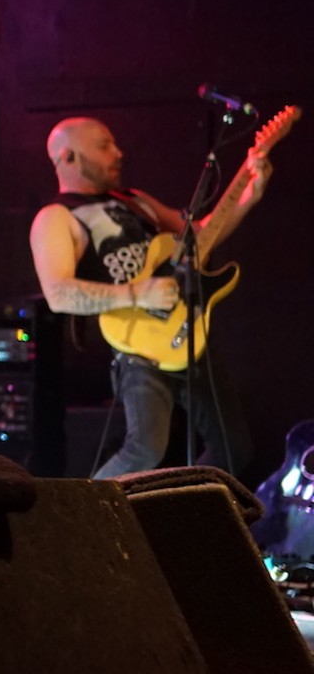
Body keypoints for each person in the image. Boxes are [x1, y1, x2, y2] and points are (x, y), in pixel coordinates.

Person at [29, 116, 269, 481]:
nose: (119, 152)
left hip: (189, 332)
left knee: (235, 448)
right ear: (69, 157)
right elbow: (59, 294)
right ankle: (82, 516)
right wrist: (136, 293)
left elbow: (200, 235)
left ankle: (188, 518)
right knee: (145, 449)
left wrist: (249, 195)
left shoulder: (136, 201)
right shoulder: (56, 217)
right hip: (136, 346)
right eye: (104, 145)